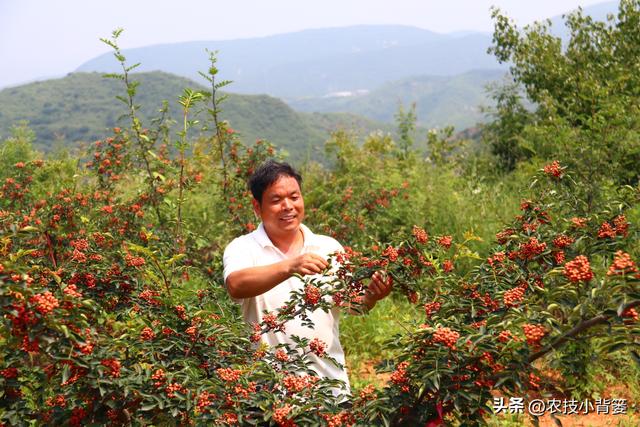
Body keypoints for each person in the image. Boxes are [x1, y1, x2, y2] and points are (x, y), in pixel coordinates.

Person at [222, 159, 392, 397]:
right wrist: (290, 266)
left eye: (294, 197)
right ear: (257, 207)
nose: (288, 206)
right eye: (276, 200)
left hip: (329, 389)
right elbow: (236, 285)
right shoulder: (243, 248)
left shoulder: (327, 247)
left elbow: (355, 305)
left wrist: (373, 295)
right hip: (267, 396)